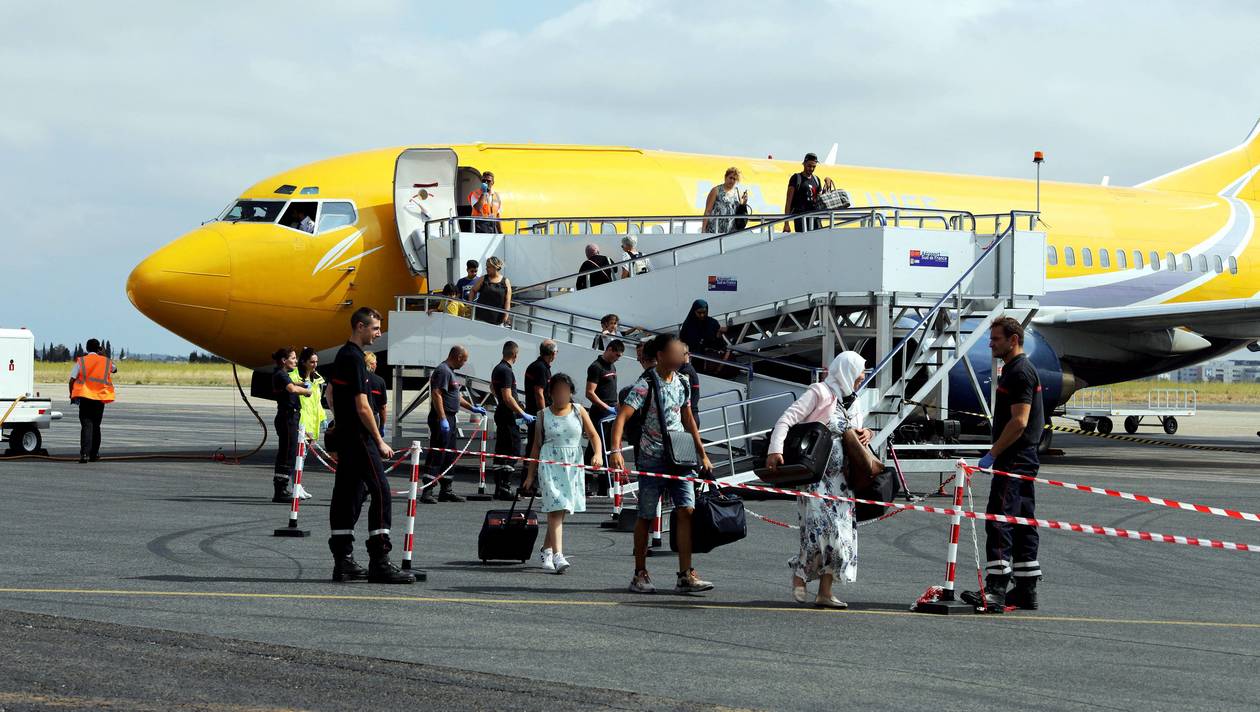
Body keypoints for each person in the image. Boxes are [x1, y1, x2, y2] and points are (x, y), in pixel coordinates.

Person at [765, 351, 873, 609]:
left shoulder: (853, 401)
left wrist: (867, 433)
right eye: (860, 372)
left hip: (842, 481)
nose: (862, 377)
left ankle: (825, 592)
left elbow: (856, 432)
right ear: (846, 370)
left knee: (840, 539)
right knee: (818, 534)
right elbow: (786, 420)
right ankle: (800, 574)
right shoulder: (820, 392)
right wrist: (775, 450)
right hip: (815, 478)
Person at [609, 334, 714, 595]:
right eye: (676, 351)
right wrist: (616, 450)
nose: (682, 355)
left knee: (686, 510)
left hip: (681, 456)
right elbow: (622, 417)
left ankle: (685, 574)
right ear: (661, 356)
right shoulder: (645, 384)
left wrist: (702, 453)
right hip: (652, 457)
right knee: (646, 515)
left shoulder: (683, 381)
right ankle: (640, 573)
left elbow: (688, 419)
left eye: (682, 351)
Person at [962, 317, 1046, 613]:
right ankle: (1025, 588)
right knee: (1022, 521)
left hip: (1014, 458)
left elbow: (1020, 421)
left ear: (1013, 340)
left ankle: (996, 588)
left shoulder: (1020, 372)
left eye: (996, 339)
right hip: (1024, 457)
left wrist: (993, 453)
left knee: (999, 519)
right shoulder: (1016, 369)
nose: (990, 344)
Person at [325, 306, 413, 583]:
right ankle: (380, 560)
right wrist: (379, 440)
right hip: (360, 438)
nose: (378, 333)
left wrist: (340, 420)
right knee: (381, 492)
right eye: (375, 328)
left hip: (346, 436)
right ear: (360, 327)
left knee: (347, 495)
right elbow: (363, 406)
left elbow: (330, 394)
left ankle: (343, 561)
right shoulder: (355, 358)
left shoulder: (342, 355)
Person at [524, 373, 603, 574]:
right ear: (550, 393)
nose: (561, 395)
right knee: (556, 508)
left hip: (573, 466)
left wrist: (598, 454)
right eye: (557, 391)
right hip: (550, 464)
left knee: (562, 509)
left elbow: (594, 435)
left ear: (570, 393)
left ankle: (546, 549)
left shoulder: (579, 411)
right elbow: (535, 446)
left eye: (565, 391)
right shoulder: (543, 415)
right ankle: (558, 555)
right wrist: (530, 475)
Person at [421, 345, 486, 504]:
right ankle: (427, 491)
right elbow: (436, 394)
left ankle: (446, 490)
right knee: (438, 453)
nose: (464, 363)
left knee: (449, 454)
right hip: (442, 417)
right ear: (458, 357)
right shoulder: (443, 371)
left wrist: (472, 408)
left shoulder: (450, 372)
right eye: (464, 360)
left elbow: (455, 396)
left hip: (449, 417)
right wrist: (442, 418)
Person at [491, 341, 534, 501]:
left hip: (502, 412)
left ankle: (500, 487)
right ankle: (505, 487)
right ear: (515, 354)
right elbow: (508, 397)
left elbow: (493, 389)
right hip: (508, 415)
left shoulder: (498, 369)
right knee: (512, 450)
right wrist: (522, 413)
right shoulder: (506, 371)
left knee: (502, 451)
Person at [270, 347, 312, 502]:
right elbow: (291, 388)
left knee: (288, 452)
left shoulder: (282, 374)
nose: (295, 361)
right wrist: (306, 391)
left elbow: (292, 384)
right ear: (284, 360)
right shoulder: (281, 374)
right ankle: (280, 490)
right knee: (287, 453)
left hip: (290, 418)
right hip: (287, 418)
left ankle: (282, 488)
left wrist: (301, 383)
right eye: (293, 358)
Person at [68, 338, 117, 464]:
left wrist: (71, 394)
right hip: (99, 398)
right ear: (98, 348)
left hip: (85, 397)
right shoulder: (106, 361)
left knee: (86, 425)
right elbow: (115, 369)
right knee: (96, 426)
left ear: (87, 348)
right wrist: (104, 355)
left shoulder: (81, 361)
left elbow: (72, 379)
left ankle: (84, 454)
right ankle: (94, 454)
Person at [585, 339, 624, 494]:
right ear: (609, 349)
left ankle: (604, 485)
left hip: (611, 412)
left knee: (608, 447)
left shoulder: (612, 366)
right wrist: (606, 407)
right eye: (616, 355)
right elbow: (589, 393)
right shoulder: (596, 367)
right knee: (595, 446)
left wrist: (616, 407)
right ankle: (586, 482)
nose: (617, 358)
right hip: (600, 413)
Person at [522, 340, 557, 492]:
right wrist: (544, 415)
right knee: (535, 446)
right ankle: (528, 485)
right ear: (553, 353)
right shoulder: (540, 368)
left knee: (536, 446)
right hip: (537, 414)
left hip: (534, 412)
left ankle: (531, 484)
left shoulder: (541, 367)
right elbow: (539, 393)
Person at [291, 346, 328, 449]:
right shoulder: (293, 377)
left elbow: (317, 402)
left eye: (316, 362)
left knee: (302, 456)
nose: (315, 365)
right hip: (300, 424)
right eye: (312, 362)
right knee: (297, 456)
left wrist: (323, 418)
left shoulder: (316, 378)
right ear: (303, 362)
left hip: (312, 424)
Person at [785, 152, 823, 233]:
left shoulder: (816, 179)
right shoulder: (796, 178)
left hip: (815, 217)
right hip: (801, 218)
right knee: (803, 239)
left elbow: (820, 199)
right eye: (809, 166)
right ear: (804, 164)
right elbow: (788, 201)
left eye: (814, 166)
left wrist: (827, 183)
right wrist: (786, 223)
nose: (811, 169)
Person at [469, 255, 512, 326]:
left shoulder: (506, 281)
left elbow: (507, 301)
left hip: (498, 320)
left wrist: (506, 316)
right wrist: (471, 305)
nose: (486, 268)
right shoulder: (483, 279)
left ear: (495, 267)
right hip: (480, 318)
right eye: (486, 266)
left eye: (488, 267)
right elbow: (473, 290)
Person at [704, 167, 749, 233]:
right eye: (730, 178)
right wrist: (703, 229)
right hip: (714, 230)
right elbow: (708, 211)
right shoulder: (716, 190)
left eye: (734, 179)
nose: (732, 181)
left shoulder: (738, 192)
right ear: (725, 177)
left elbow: (741, 211)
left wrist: (744, 202)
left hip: (731, 232)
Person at [364, 351, 388, 436]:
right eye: (375, 363)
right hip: (373, 418)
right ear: (371, 365)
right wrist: (382, 426)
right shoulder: (380, 381)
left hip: (356, 416)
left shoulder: (355, 378)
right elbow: (383, 407)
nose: (376, 365)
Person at [679, 343, 702, 428]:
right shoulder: (687, 369)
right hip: (690, 415)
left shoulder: (686, 372)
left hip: (689, 416)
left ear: (688, 354)